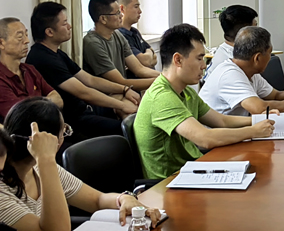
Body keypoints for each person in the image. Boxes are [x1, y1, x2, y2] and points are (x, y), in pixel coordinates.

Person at [134, 24, 276, 179]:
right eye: (199, 58)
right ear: (178, 60)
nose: (203, 66)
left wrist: (259, 120)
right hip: (169, 182)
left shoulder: (185, 91)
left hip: (192, 169)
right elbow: (205, 138)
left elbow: (221, 121)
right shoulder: (161, 97)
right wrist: (253, 131)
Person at [0, 97, 162, 231]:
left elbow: (97, 200)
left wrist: (124, 199)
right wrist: (46, 160)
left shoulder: (40, 167)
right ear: (52, 141)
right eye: (64, 131)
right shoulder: (38, 170)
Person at [26, 2, 141, 138]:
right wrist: (121, 106)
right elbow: (83, 92)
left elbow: (90, 80)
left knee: (129, 103)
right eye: (64, 23)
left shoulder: (57, 53)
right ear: (49, 32)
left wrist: (124, 89)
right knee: (130, 127)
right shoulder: (42, 58)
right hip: (74, 120)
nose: (69, 26)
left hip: (86, 108)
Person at [200, 26, 284, 116]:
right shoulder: (229, 74)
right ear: (257, 58)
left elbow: (276, 96)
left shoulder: (250, 72)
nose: (270, 57)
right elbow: (259, 109)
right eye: (269, 53)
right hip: (217, 133)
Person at [82, 0, 158, 91]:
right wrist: (163, 81)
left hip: (123, 91)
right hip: (108, 94)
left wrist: (166, 76)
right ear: (103, 19)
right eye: (117, 13)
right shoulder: (92, 43)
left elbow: (139, 69)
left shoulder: (117, 34)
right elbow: (120, 82)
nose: (121, 15)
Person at [0, 18, 63, 119]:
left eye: (26, 35)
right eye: (20, 37)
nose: (27, 41)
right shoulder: (2, 77)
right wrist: (45, 102)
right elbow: (21, 116)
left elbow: (58, 99)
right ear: (1, 43)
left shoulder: (29, 70)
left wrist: (36, 104)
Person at [205, 5, 258, 77]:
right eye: (255, 26)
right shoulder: (233, 63)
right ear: (245, 32)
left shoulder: (229, 52)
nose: (259, 31)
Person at [115, 0, 157, 69]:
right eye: (136, 7)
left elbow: (154, 58)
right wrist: (149, 52)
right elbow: (145, 61)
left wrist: (148, 54)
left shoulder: (134, 31)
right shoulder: (120, 35)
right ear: (122, 9)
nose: (140, 11)